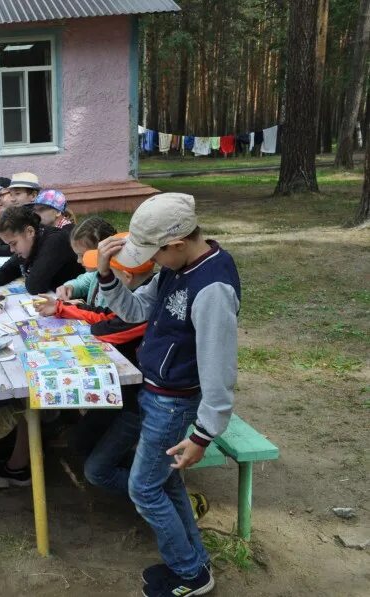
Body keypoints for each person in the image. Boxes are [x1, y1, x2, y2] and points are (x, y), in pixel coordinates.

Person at [96, 193, 240, 597]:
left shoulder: (212, 287)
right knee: (167, 485)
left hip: (175, 404)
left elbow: (219, 369)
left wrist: (203, 434)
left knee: (143, 488)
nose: (151, 263)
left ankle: (189, 575)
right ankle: (195, 564)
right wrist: (106, 276)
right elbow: (135, 311)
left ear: (175, 244)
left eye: (154, 254)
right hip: (155, 393)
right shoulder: (175, 269)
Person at [36, 248, 155, 494]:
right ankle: (142, 473)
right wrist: (60, 308)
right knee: (79, 442)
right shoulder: (134, 297)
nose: (101, 284)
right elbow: (102, 315)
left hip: (140, 402)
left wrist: (66, 311)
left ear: (126, 279)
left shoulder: (143, 308)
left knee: (96, 472)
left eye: (108, 277)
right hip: (121, 391)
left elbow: (106, 329)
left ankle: (159, 488)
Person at [0, 206, 81, 294]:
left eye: (14, 243)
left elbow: (34, 286)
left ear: (30, 232)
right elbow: (14, 264)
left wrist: (26, 267)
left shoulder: (55, 241)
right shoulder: (35, 238)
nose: (11, 250)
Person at [56, 217, 118, 303]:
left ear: (104, 250)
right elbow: (81, 282)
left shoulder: (118, 282)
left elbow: (105, 314)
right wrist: (69, 287)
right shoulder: (95, 273)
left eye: (83, 255)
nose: (78, 260)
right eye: (77, 255)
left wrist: (79, 308)